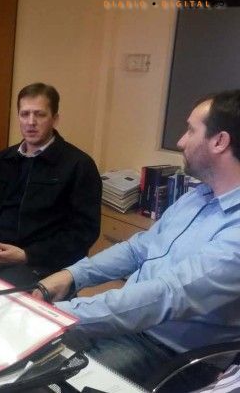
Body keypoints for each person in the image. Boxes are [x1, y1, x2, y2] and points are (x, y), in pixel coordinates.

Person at [36, 90, 240, 387]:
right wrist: (72, 275)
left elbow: (168, 295)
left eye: (190, 130)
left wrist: (61, 314)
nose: (181, 141)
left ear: (219, 141)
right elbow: (138, 249)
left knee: (50, 382)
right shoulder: (197, 197)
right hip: (128, 323)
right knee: (24, 356)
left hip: (165, 351)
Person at [0, 83, 101, 287]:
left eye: (40, 114)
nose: (31, 122)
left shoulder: (78, 165)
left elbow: (83, 233)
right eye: (25, 114)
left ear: (55, 119)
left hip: (36, 263)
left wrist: (27, 255)